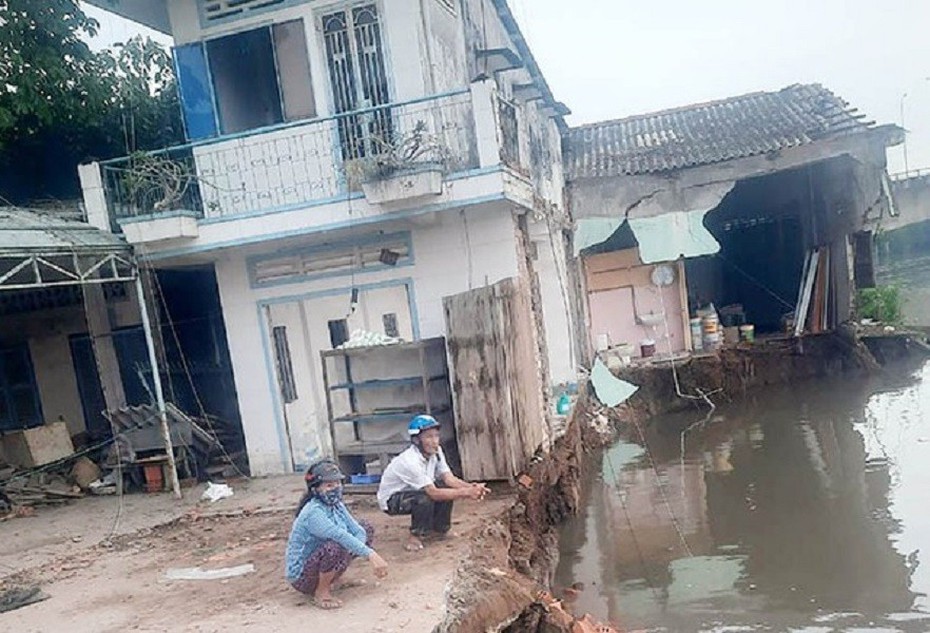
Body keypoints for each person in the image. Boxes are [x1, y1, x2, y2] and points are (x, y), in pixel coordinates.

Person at [376, 414, 490, 551]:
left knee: (445, 488)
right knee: (425, 498)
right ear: (417, 440)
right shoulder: (409, 461)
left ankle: (440, 530)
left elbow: (449, 479)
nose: (434, 441)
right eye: (429, 437)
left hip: (416, 491)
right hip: (392, 500)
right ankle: (415, 537)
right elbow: (433, 493)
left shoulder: (437, 451)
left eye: (436, 436)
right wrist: (467, 493)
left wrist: (473, 487)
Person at [285, 459, 389, 609]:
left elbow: (357, 530)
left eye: (337, 484)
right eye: (329, 485)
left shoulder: (336, 505)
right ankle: (321, 592)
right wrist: (370, 555)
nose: (335, 488)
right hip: (301, 577)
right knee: (335, 546)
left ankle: (334, 578)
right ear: (316, 489)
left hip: (322, 557)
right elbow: (338, 534)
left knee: (365, 528)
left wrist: (355, 551)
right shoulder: (313, 512)